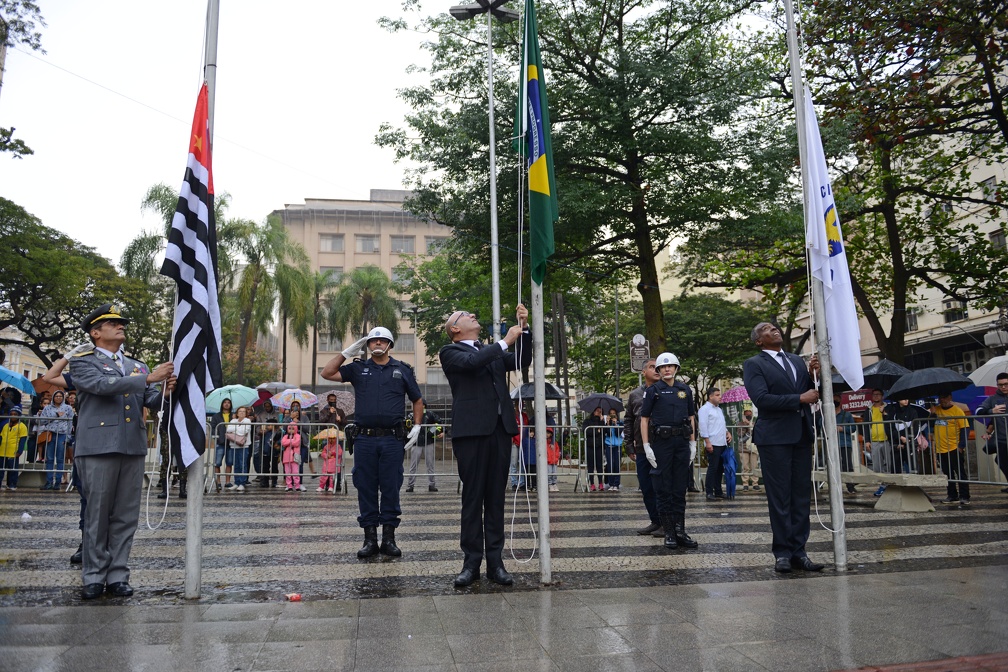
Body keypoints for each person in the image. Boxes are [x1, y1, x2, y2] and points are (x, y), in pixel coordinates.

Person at [68, 303, 176, 600]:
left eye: (121, 322)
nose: (121, 325)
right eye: (113, 322)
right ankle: (93, 575)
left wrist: (163, 391)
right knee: (98, 514)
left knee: (126, 515)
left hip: (131, 445)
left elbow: (149, 399)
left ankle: (118, 574)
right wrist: (150, 379)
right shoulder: (82, 361)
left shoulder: (136, 366)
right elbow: (101, 386)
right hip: (97, 447)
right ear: (95, 332)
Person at [439, 305, 532, 587]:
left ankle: (496, 562)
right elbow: (472, 364)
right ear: (455, 328)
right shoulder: (451, 351)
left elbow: (519, 360)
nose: (472, 316)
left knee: (495, 498)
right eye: (465, 315)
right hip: (472, 433)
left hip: (499, 431)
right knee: (473, 498)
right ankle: (471, 562)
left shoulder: (489, 351)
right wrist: (504, 341)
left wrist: (523, 328)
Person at [321, 325, 424, 560]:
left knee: (390, 486)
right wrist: (346, 352)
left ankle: (388, 538)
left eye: (381, 340)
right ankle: (369, 539)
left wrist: (417, 426)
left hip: (391, 439)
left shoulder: (402, 370)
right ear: (367, 345)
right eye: (372, 341)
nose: (377, 344)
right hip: (365, 439)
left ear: (389, 345)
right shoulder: (358, 368)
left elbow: (417, 399)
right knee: (365, 487)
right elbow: (327, 373)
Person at [741, 322, 823, 573]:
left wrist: (814, 375)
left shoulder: (797, 360)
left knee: (800, 496)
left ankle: (800, 551)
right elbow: (762, 399)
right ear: (759, 341)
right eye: (767, 328)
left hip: (800, 435)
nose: (774, 329)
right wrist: (800, 398)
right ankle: (782, 553)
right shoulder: (754, 364)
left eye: (775, 327)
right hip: (774, 437)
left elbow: (811, 390)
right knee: (780, 497)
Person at [639, 352, 699, 551]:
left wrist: (693, 443)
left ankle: (680, 531)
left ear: (676, 368)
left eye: (671, 366)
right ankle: (669, 532)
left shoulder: (685, 390)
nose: (667, 369)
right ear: (658, 370)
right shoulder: (653, 390)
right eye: (663, 367)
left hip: (681, 442)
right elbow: (644, 419)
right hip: (662, 444)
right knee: (663, 488)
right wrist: (647, 446)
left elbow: (691, 417)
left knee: (679, 489)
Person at [624, 358, 663, 535]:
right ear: (643, 372)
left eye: (658, 367)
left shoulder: (667, 391)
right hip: (641, 447)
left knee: (662, 486)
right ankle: (655, 520)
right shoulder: (635, 395)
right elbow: (629, 420)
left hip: (662, 446)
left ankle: (666, 522)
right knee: (646, 487)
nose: (656, 370)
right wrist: (629, 445)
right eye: (652, 367)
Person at [930, 393, 971, 506]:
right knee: (947, 473)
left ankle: (964, 496)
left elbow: (965, 429)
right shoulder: (936, 410)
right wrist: (932, 415)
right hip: (940, 448)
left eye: (945, 397)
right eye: (941, 397)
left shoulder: (957, 411)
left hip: (954, 447)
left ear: (950, 398)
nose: (942, 400)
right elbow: (929, 424)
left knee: (960, 472)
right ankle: (952, 495)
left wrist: (961, 446)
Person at [975, 372, 1008, 490]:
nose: (1003, 387)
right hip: (1002, 439)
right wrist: (991, 411)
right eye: (1000, 385)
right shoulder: (993, 399)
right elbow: (978, 411)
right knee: (1001, 461)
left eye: (1006, 384)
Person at [698, 387, 730, 501]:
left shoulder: (719, 409)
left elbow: (722, 424)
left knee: (720, 468)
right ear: (710, 396)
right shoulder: (704, 409)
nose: (719, 397)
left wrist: (727, 432)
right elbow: (703, 426)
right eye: (717, 395)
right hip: (713, 442)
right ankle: (709, 492)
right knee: (713, 468)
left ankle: (718, 491)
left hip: (722, 442)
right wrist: (707, 442)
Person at [39, 389, 74, 491]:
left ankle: (58, 481)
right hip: (50, 434)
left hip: (62, 434)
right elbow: (42, 421)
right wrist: (55, 415)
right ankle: (49, 481)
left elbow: (70, 423)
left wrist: (68, 436)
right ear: (53, 397)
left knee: (60, 458)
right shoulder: (48, 408)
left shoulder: (68, 408)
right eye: (56, 396)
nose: (58, 398)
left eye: (60, 396)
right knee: (49, 458)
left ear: (63, 398)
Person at [863, 389, 895, 496]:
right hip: (874, 440)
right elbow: (866, 426)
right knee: (877, 466)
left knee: (889, 464)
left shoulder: (888, 408)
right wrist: (867, 440)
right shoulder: (868, 409)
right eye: (874, 395)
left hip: (886, 439)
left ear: (882, 396)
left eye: (878, 395)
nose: (876, 397)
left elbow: (891, 422)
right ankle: (883, 485)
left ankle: (889, 485)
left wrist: (884, 413)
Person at [406, 402, 442, 493]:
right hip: (416, 443)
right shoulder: (411, 415)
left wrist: (433, 432)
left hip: (428, 442)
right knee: (413, 465)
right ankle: (410, 485)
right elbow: (406, 426)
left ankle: (431, 485)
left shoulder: (430, 414)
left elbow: (440, 423)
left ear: (424, 405)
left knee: (430, 464)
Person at [833, 398, 859, 495]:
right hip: (832, 444)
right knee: (835, 466)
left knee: (848, 465)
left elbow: (853, 428)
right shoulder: (827, 414)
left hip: (845, 443)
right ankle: (835, 487)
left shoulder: (847, 415)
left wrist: (842, 428)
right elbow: (820, 424)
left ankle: (850, 486)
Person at [255, 399, 282, 488]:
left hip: (274, 447)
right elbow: (258, 426)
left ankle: (274, 481)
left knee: (274, 466)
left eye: (268, 406)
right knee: (264, 465)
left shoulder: (277, 415)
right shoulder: (261, 415)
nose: (267, 408)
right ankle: (264, 481)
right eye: (265, 406)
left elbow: (280, 427)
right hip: (265, 445)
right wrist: (260, 431)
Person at [225, 406, 253, 492]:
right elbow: (228, 429)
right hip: (233, 445)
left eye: (243, 411)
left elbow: (243, 432)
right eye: (240, 411)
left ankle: (242, 483)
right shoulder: (233, 421)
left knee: (242, 464)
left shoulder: (247, 421)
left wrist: (235, 429)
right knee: (236, 465)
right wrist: (238, 428)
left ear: (246, 413)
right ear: (237, 413)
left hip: (244, 446)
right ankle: (236, 482)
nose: (241, 413)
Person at [0, 405, 27, 490]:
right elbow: (1, 437)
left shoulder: (22, 426)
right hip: (2, 451)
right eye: (11, 414)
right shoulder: (5, 425)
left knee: (12, 470)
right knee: (1, 470)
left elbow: (22, 440)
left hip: (13, 451)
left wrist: (19, 451)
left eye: (15, 414)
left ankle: (12, 484)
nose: (13, 416)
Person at [210, 398, 233, 492]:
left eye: (228, 403)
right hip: (220, 442)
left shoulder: (233, 415)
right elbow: (213, 427)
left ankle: (228, 482)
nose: (227, 404)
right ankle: (218, 481)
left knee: (229, 462)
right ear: (222, 404)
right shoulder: (216, 416)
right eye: (225, 402)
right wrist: (217, 437)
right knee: (217, 462)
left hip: (231, 442)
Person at [582, 407, 606, 491]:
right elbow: (586, 431)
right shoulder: (587, 421)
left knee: (600, 465)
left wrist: (602, 422)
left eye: (600, 411)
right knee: (590, 465)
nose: (598, 412)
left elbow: (604, 431)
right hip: (590, 445)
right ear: (593, 411)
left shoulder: (601, 421)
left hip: (599, 446)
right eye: (597, 411)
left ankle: (600, 483)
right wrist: (597, 431)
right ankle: (591, 483)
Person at [738, 409, 759, 491]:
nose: (748, 416)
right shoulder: (740, 424)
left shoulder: (754, 424)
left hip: (753, 448)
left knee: (754, 466)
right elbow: (741, 438)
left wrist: (751, 426)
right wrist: (747, 427)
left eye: (750, 414)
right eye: (746, 415)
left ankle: (755, 483)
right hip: (743, 448)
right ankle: (745, 483)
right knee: (745, 466)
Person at [603, 409, 624, 491]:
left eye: (613, 414)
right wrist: (608, 424)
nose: (612, 415)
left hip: (618, 445)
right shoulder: (607, 423)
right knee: (610, 464)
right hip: (609, 445)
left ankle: (616, 484)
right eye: (610, 414)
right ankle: (611, 483)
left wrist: (616, 424)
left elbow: (619, 433)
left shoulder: (620, 423)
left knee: (617, 465)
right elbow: (608, 433)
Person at [281, 421, 302, 491]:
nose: (291, 430)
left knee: (295, 472)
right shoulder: (285, 436)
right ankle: (289, 485)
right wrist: (292, 441)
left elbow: (296, 443)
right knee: (288, 472)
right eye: (290, 428)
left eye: (293, 428)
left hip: (295, 457)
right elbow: (283, 442)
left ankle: (297, 485)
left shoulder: (298, 436)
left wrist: (289, 441)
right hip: (286, 457)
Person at [546, 427, 561, 491]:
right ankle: (550, 484)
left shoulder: (555, 443)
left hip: (554, 460)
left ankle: (554, 483)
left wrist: (556, 458)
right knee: (549, 473)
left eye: (548, 433)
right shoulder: (544, 442)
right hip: (548, 461)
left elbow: (557, 451)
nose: (547, 434)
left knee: (554, 473)